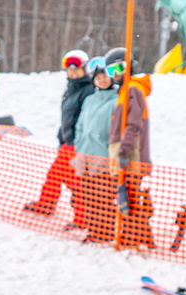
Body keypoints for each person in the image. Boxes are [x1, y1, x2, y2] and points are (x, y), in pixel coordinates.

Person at [22, 50, 93, 231]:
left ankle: (83, 218)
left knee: (76, 181)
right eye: (69, 70)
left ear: (84, 69)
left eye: (76, 69)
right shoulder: (71, 89)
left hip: (78, 144)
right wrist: (62, 137)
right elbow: (67, 117)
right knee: (54, 176)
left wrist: (78, 142)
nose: (73, 73)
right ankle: (46, 204)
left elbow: (85, 118)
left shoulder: (88, 90)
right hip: (66, 142)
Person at [106, 47, 153, 248]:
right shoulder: (125, 90)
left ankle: (137, 237)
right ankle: (132, 235)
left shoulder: (133, 89)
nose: (116, 74)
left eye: (119, 68)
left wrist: (124, 151)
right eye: (111, 71)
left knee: (131, 196)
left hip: (131, 154)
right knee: (126, 195)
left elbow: (134, 125)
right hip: (125, 152)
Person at [73, 58, 120, 243]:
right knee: (88, 195)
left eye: (105, 77)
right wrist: (78, 144)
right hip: (85, 154)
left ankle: (105, 231)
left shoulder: (115, 101)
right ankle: (93, 229)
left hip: (103, 156)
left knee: (103, 196)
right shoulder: (89, 100)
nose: (102, 80)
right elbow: (80, 125)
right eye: (98, 77)